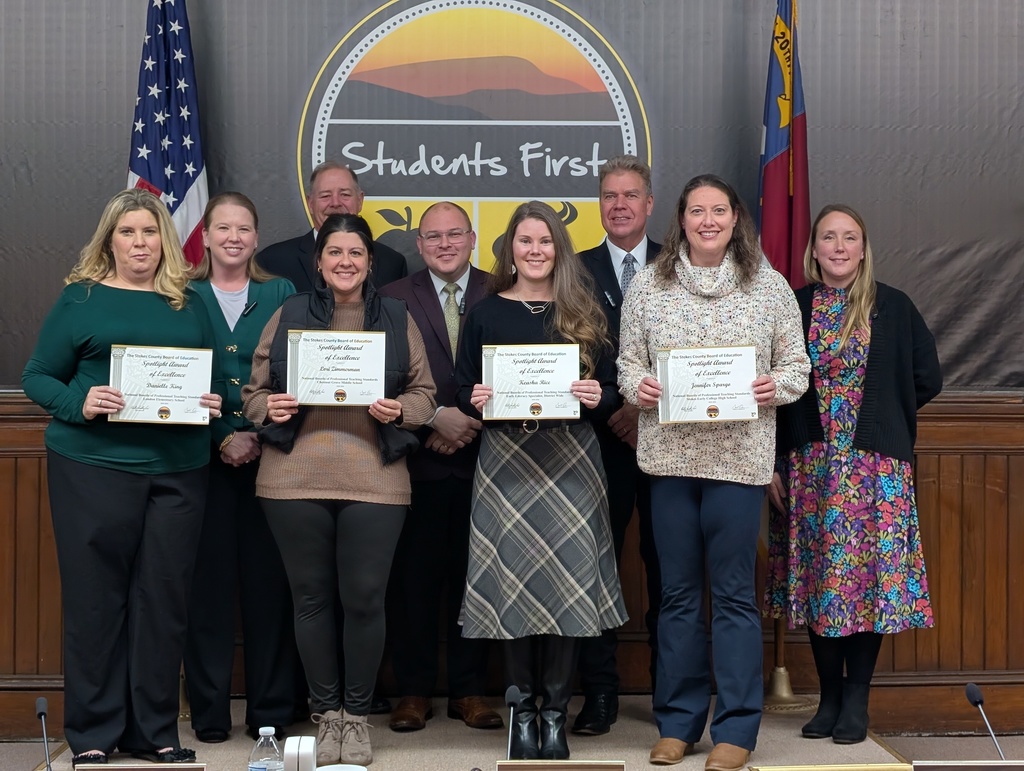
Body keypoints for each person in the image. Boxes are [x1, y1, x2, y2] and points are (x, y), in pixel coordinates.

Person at [22, 188, 224, 766]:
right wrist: (78, 405)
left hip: (179, 470)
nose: (140, 243)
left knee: (163, 601)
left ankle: (155, 731)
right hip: (93, 467)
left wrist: (214, 402)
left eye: (150, 232)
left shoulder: (191, 301)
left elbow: (215, 380)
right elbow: (37, 376)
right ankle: (91, 736)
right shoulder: (80, 299)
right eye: (128, 233)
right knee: (95, 601)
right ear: (109, 240)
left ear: (166, 239)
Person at [617, 174, 809, 769]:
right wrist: (638, 386)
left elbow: (797, 368)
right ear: (680, 219)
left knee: (731, 598)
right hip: (669, 462)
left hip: (738, 461)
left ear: (734, 220)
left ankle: (735, 730)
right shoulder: (649, 285)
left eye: (718, 211)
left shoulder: (769, 286)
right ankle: (677, 723)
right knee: (675, 596)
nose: (707, 221)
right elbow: (627, 363)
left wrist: (771, 384)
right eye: (696, 211)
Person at [242, 213, 435, 766]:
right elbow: (255, 396)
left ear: (370, 262)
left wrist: (402, 409)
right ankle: (326, 716)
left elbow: (424, 394)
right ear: (319, 263)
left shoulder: (396, 317)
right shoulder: (289, 313)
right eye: (335, 253)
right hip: (292, 476)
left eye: (356, 253)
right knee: (310, 600)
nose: (345, 262)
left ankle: (356, 717)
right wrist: (268, 406)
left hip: (374, 476)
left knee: (366, 599)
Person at [455, 200, 628, 761]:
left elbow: (611, 389)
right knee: (513, 585)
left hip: (572, 462)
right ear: (509, 248)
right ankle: (521, 715)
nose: (534, 251)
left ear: (560, 248)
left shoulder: (587, 307)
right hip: (507, 462)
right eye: (524, 241)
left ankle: (554, 714)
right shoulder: (484, 312)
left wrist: (599, 396)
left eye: (545, 241)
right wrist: (473, 399)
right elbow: (461, 388)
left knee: (568, 587)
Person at [766, 204, 942, 744]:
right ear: (813, 249)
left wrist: (884, 421)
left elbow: (926, 377)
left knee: (867, 588)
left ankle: (857, 700)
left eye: (849, 238)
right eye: (828, 238)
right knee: (822, 584)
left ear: (863, 248)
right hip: (811, 469)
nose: (839, 247)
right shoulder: (793, 307)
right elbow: (771, 391)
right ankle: (830, 698)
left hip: (875, 475)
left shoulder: (892, 306)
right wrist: (774, 461)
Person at [183, 192, 305, 743]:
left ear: (257, 238)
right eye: (223, 228)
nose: (233, 237)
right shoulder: (178, 295)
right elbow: (171, 378)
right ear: (204, 237)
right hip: (202, 463)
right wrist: (222, 437)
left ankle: (271, 712)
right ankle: (208, 714)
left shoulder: (281, 292)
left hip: (272, 460)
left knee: (269, 590)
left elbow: (297, 374)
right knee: (206, 593)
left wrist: (258, 434)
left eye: (244, 229)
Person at [379, 202, 503, 733]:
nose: (445, 244)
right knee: (414, 581)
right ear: (419, 243)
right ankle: (412, 691)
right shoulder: (391, 298)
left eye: (455, 234)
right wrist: (434, 422)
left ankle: (470, 690)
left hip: (489, 460)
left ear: (473, 238)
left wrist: (468, 421)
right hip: (418, 460)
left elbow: (521, 367)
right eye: (434, 236)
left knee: (475, 579)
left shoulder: (504, 290)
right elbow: (381, 377)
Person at [574, 155, 662, 736]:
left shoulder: (679, 266)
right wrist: (614, 404)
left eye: (630, 195)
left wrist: (638, 406)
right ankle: (600, 695)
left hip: (671, 442)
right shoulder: (573, 270)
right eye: (609, 196)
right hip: (596, 445)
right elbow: (562, 351)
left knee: (668, 572)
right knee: (596, 573)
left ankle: (671, 694)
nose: (620, 205)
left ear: (650, 204)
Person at [256, 161, 407, 293]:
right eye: (325, 196)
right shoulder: (272, 261)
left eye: (345, 195)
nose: (335, 203)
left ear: (360, 200)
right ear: (310, 203)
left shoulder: (392, 263)